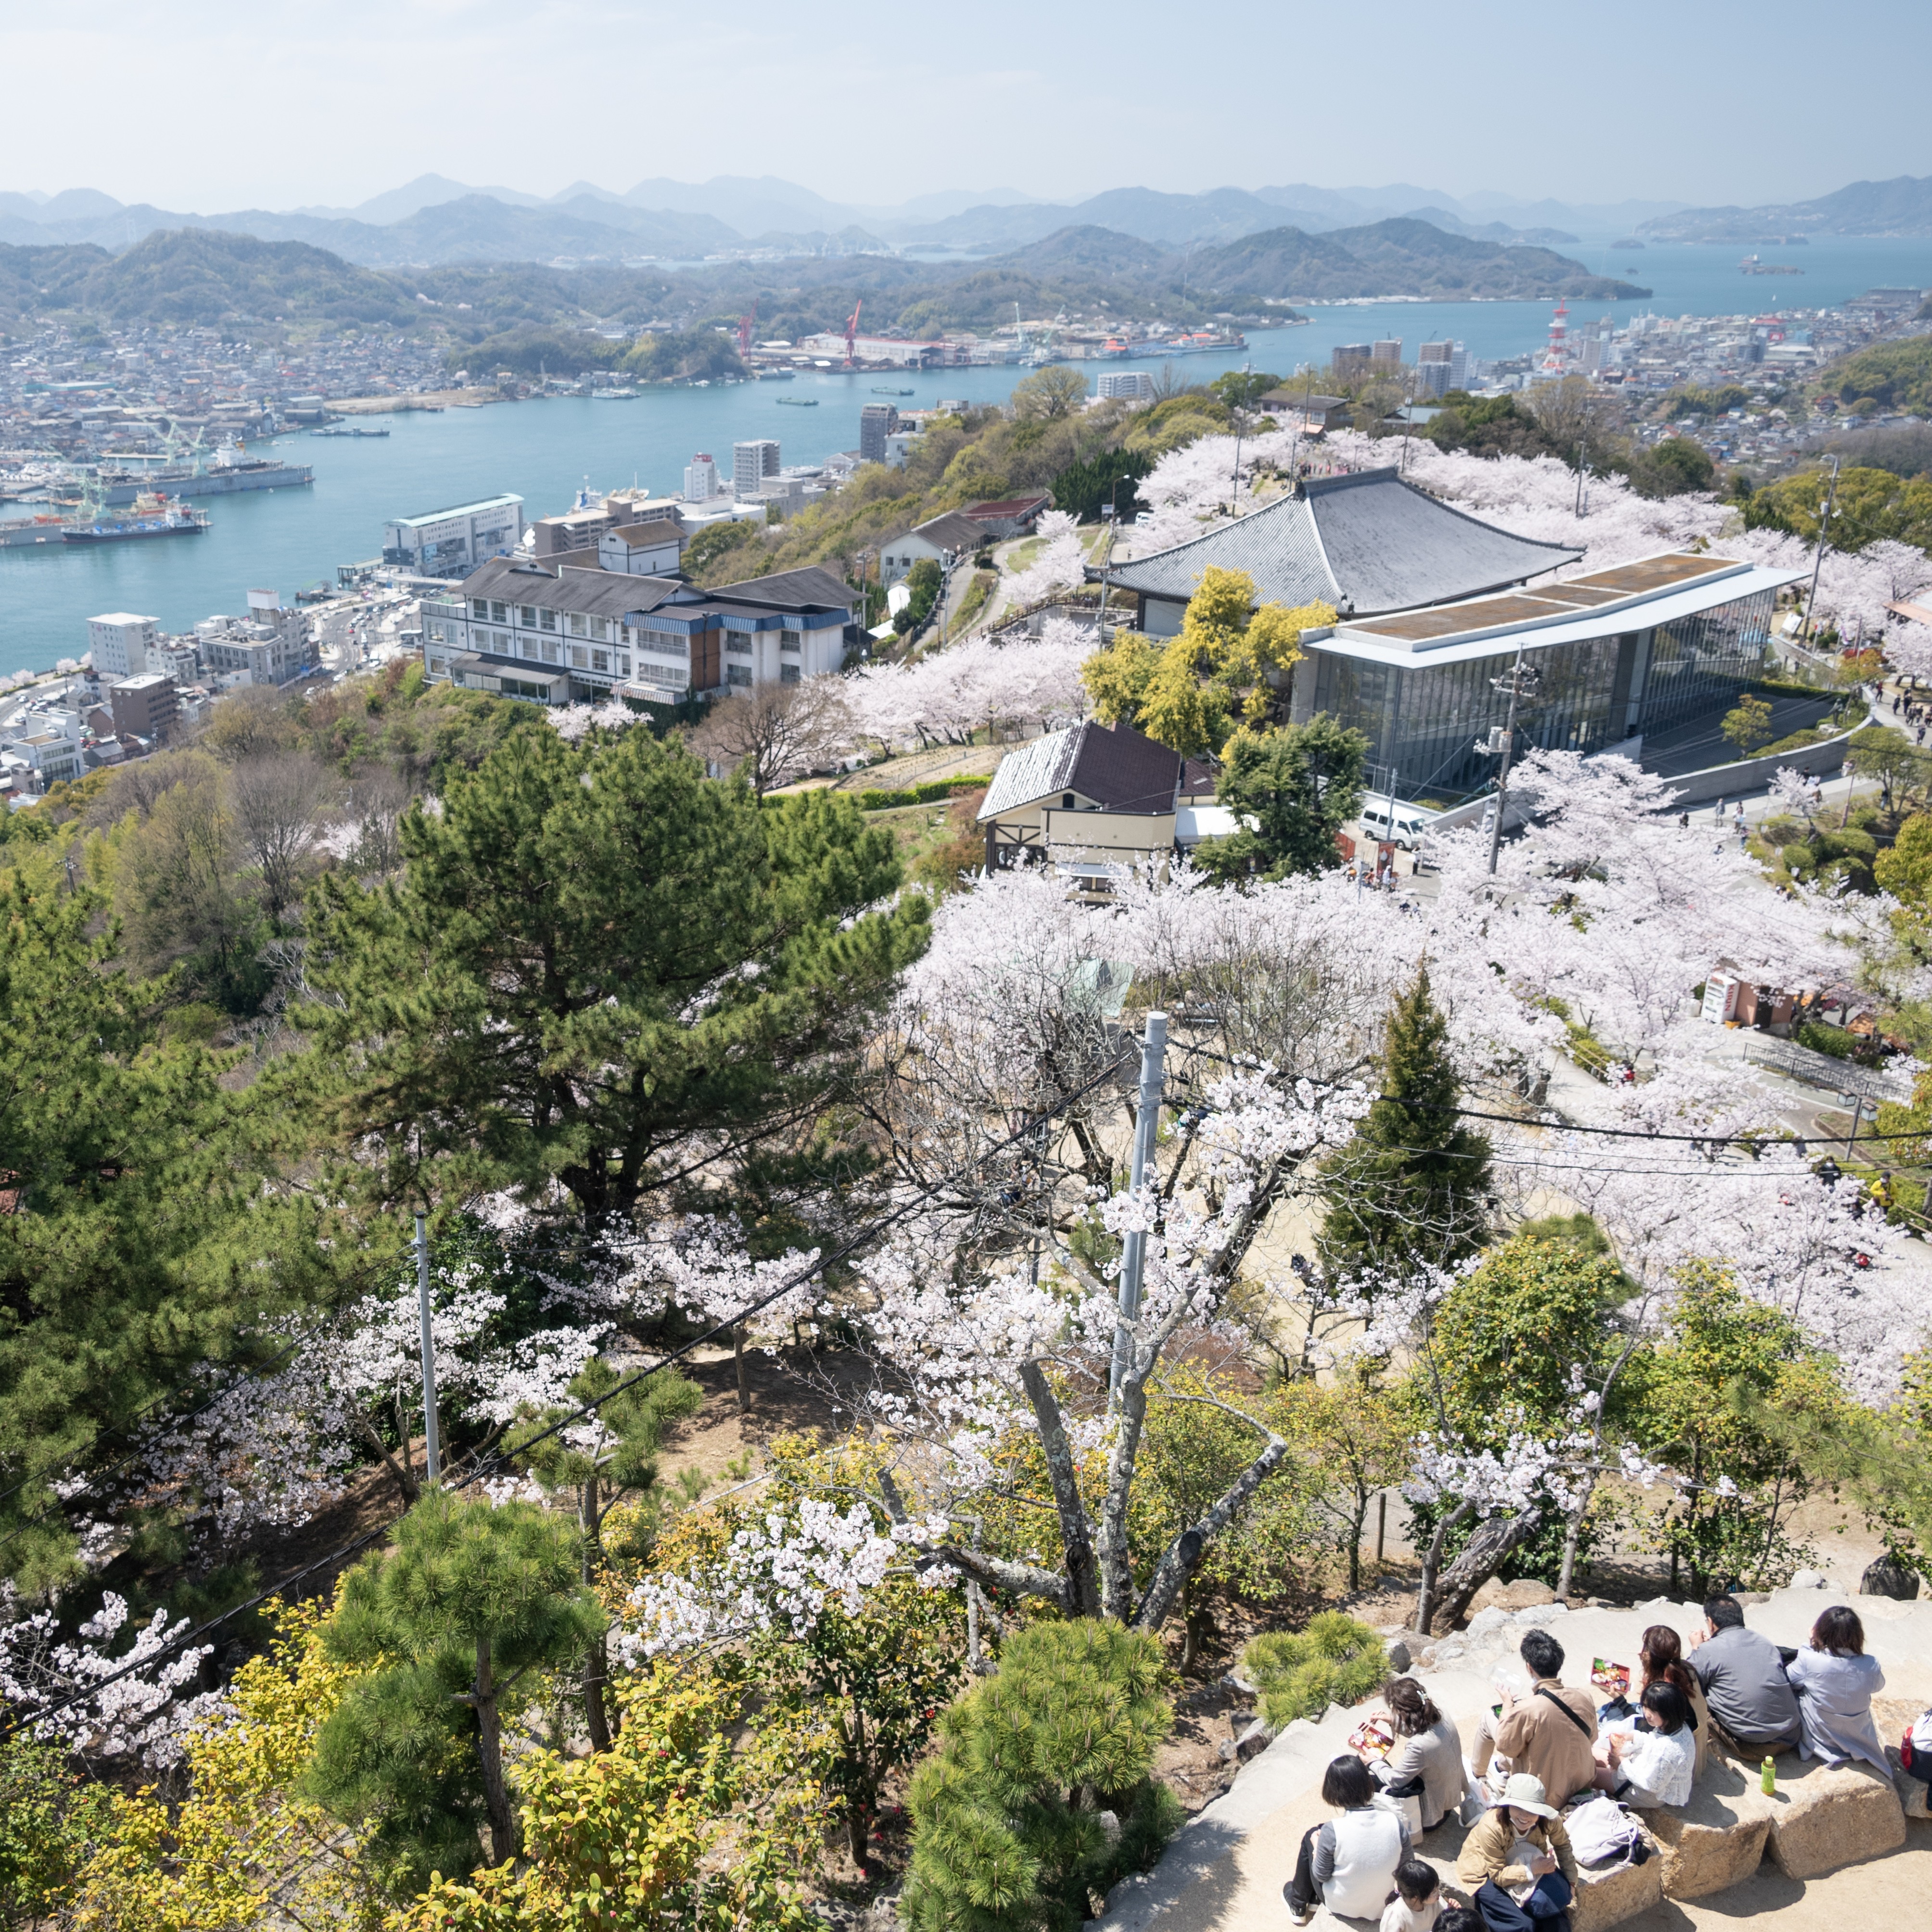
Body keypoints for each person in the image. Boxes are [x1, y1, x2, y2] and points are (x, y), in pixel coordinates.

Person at [1284, 1754, 1411, 1925]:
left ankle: (1298, 1904)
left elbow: (1321, 1874)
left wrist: (1316, 1847)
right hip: (1383, 1905)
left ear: (1333, 1791)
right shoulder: (1395, 1822)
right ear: (1368, 1783)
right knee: (1322, 1834)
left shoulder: (1332, 1830)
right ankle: (1311, 1900)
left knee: (1312, 1835)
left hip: (1341, 1906)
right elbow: (1408, 1866)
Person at [1486, 1630, 1597, 1809]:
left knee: (1489, 1720)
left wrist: (1507, 1705)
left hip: (1543, 1796)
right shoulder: (1585, 1697)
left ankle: (1479, 1776)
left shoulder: (1528, 1708)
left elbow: (1506, 1747)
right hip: (1580, 1787)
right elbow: (1592, 1738)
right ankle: (1500, 1768)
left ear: (1529, 1667)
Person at [1455, 1773, 1576, 1932]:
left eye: (1532, 1810)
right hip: (1487, 1873)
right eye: (1518, 1808)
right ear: (1508, 1806)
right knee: (1524, 1925)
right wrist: (1532, 1869)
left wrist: (1571, 1882)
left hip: (1529, 1863)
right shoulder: (1492, 1826)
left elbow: (1563, 1845)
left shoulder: (1550, 1820)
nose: (1525, 1816)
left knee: (1555, 1918)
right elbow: (1497, 1874)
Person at [1688, 1595, 1801, 1752]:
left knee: (1697, 1695)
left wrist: (1697, 1649)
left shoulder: (1707, 1651)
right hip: (1791, 1736)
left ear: (1711, 1623)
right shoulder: (1764, 1642)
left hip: (1752, 1745)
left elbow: (1687, 1679)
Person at [1785, 1604, 1887, 1772]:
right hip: (1858, 1735)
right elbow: (1878, 1686)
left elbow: (1789, 1679)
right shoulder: (1871, 1664)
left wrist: (1812, 1643)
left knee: (1798, 1692)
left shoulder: (1809, 1658)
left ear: (1821, 1631)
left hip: (1820, 1736)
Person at [1376, 1677, 1468, 1831]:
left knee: (1372, 1774)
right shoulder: (1442, 1715)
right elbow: (1420, 1729)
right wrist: (1392, 1721)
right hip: (1448, 1802)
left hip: (1431, 1818)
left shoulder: (1418, 1746)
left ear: (1403, 1712)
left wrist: (1372, 1761)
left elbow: (1396, 1780)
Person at [1597, 1682, 1696, 1808]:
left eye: (1654, 1711)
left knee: (1590, 1774)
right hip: (1640, 1771)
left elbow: (1651, 1784)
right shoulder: (1680, 1727)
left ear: (1669, 1712)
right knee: (1591, 1755)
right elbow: (1654, 1740)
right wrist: (1632, 1736)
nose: (1647, 1714)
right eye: (1645, 1706)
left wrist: (1621, 1765)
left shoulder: (1667, 1750)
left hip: (1646, 1794)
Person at [1381, 1858, 1444, 1932]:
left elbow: (1449, 1921)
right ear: (1415, 1897)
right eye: (1434, 1892)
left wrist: (1453, 1909)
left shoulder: (1436, 1902)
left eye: (1437, 1888)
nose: (1438, 1893)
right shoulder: (1396, 1915)